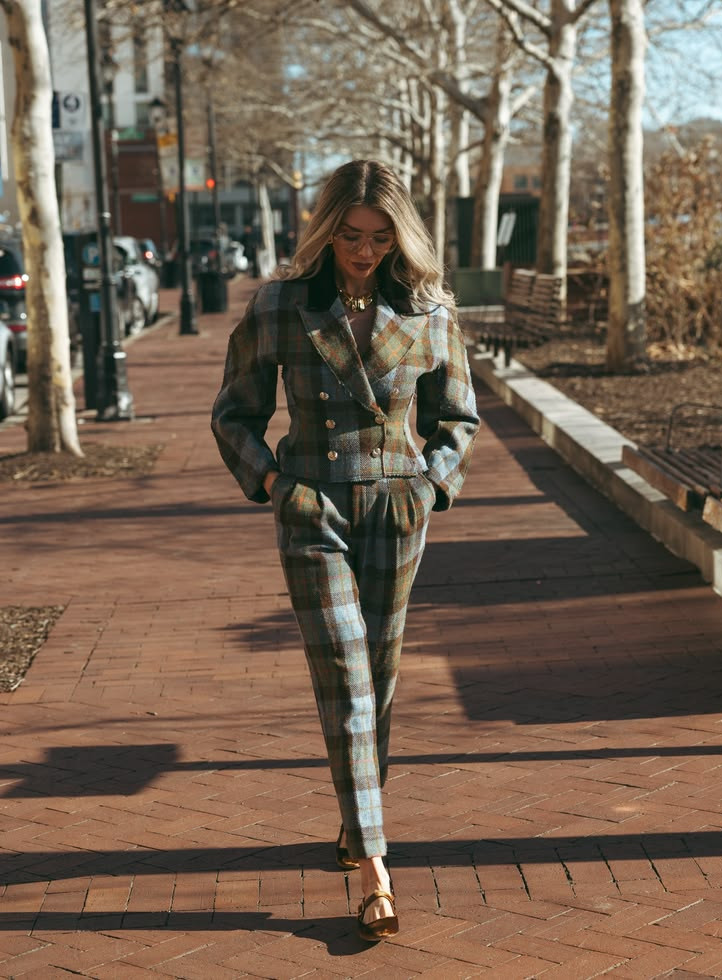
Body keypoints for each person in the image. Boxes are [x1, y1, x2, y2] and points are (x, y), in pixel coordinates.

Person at [212, 159, 479, 941]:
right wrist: (270, 485)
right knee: (346, 681)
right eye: (349, 235)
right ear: (326, 231)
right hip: (311, 507)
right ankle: (372, 864)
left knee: (381, 676)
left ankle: (353, 813)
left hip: (398, 507)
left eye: (379, 235)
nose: (363, 251)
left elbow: (456, 419)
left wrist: (432, 484)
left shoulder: (429, 311)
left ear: (400, 235)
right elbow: (234, 412)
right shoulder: (280, 307)